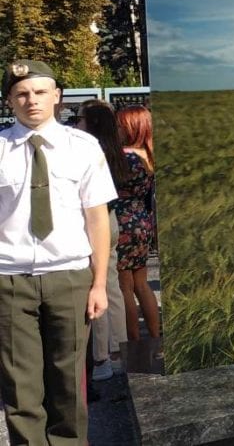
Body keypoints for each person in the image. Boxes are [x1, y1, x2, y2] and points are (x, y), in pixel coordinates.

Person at [0, 60, 114, 444]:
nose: (31, 100)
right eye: (21, 94)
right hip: (9, 280)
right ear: (9, 101)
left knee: (69, 385)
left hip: (69, 277)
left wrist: (99, 284)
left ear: (57, 97)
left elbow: (97, 220)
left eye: (40, 92)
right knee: (20, 387)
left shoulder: (82, 147)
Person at [74, 100, 132, 380]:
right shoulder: (114, 150)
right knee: (111, 285)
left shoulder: (87, 150)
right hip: (110, 219)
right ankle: (119, 347)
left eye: (80, 118)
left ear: (91, 122)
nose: (76, 123)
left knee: (94, 287)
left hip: (92, 222)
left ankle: (101, 357)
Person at [114, 106, 161, 340]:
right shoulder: (149, 154)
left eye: (121, 125)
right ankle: (155, 336)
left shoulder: (122, 156)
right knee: (142, 284)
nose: (117, 130)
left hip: (121, 221)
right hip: (142, 219)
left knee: (125, 287)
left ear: (131, 127)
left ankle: (133, 341)